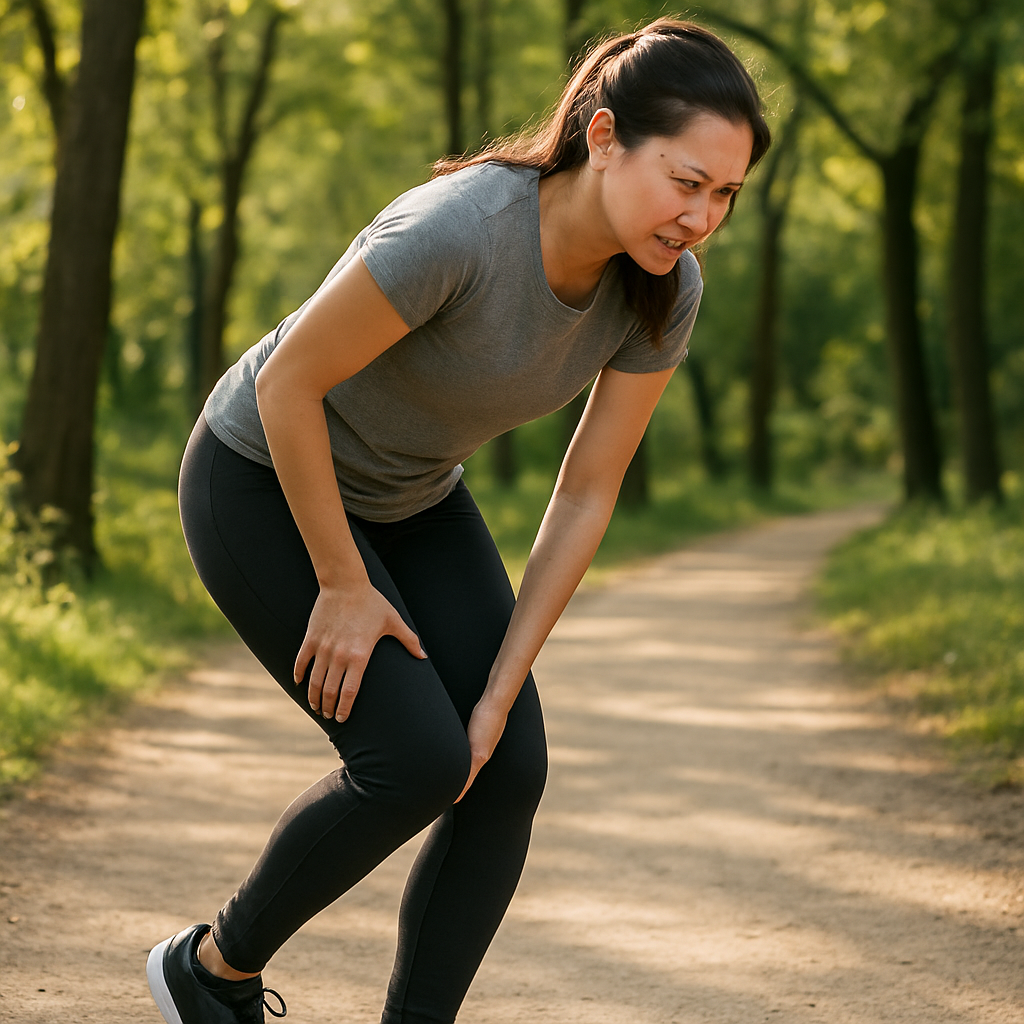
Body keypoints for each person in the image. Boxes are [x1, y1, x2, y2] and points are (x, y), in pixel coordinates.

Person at [147, 16, 770, 1024]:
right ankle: (209, 969)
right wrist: (343, 585)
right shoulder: (461, 231)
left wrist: (502, 683)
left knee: (504, 759)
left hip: (412, 495)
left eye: (725, 197)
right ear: (603, 135)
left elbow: (586, 488)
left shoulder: (662, 291)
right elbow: (291, 384)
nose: (701, 218)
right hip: (260, 473)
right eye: (686, 182)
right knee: (416, 763)